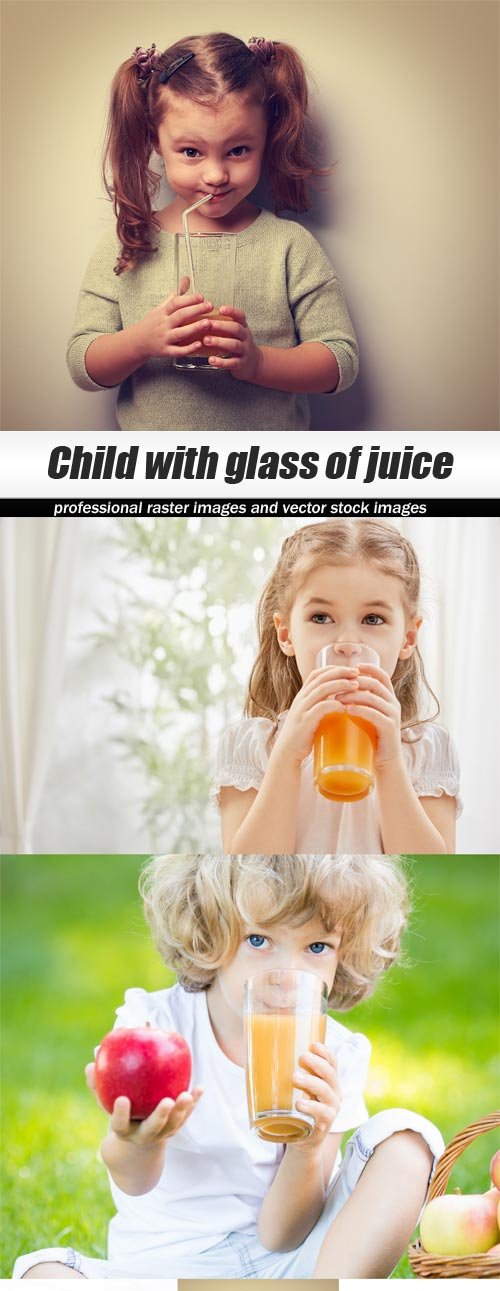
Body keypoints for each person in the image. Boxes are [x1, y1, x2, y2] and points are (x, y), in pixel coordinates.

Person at [13, 854, 442, 1282]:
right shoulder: (156, 1027)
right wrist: (136, 1142)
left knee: (409, 1141)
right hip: (163, 1273)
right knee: (43, 1276)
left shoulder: (334, 1054)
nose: (287, 974)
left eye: (316, 947)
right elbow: (134, 1180)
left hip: (287, 1267)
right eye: (259, 940)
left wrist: (308, 1149)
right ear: (211, 932)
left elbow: (281, 1235)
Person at [66, 32, 358, 431]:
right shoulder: (129, 244)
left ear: (266, 139)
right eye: (191, 152)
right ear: (157, 142)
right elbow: (83, 364)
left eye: (238, 150)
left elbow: (340, 361)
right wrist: (140, 341)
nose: (216, 175)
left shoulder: (289, 246)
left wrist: (258, 362)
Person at [213, 522, 462, 854]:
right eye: (321, 617)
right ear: (286, 634)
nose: (347, 643)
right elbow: (247, 870)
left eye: (372, 619)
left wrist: (389, 762)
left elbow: (434, 877)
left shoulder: (426, 751)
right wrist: (287, 755)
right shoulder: (252, 747)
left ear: (408, 637)